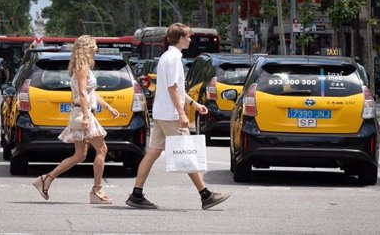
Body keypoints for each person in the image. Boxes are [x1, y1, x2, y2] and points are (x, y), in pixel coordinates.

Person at [125, 23, 231, 210]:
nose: (190, 39)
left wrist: (194, 104)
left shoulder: (167, 56)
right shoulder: (174, 59)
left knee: (153, 152)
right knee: (188, 153)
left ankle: (136, 194)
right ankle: (205, 195)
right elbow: (173, 88)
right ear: (181, 38)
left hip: (162, 112)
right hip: (171, 115)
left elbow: (176, 89)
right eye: (188, 36)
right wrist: (182, 113)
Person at [32, 35, 119, 203]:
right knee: (102, 150)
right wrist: (87, 116)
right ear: (87, 46)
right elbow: (82, 93)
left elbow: (91, 93)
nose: (96, 47)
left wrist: (108, 107)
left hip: (83, 112)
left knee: (80, 155)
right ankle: (97, 190)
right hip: (83, 113)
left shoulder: (84, 67)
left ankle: (46, 179)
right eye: (94, 44)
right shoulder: (82, 68)